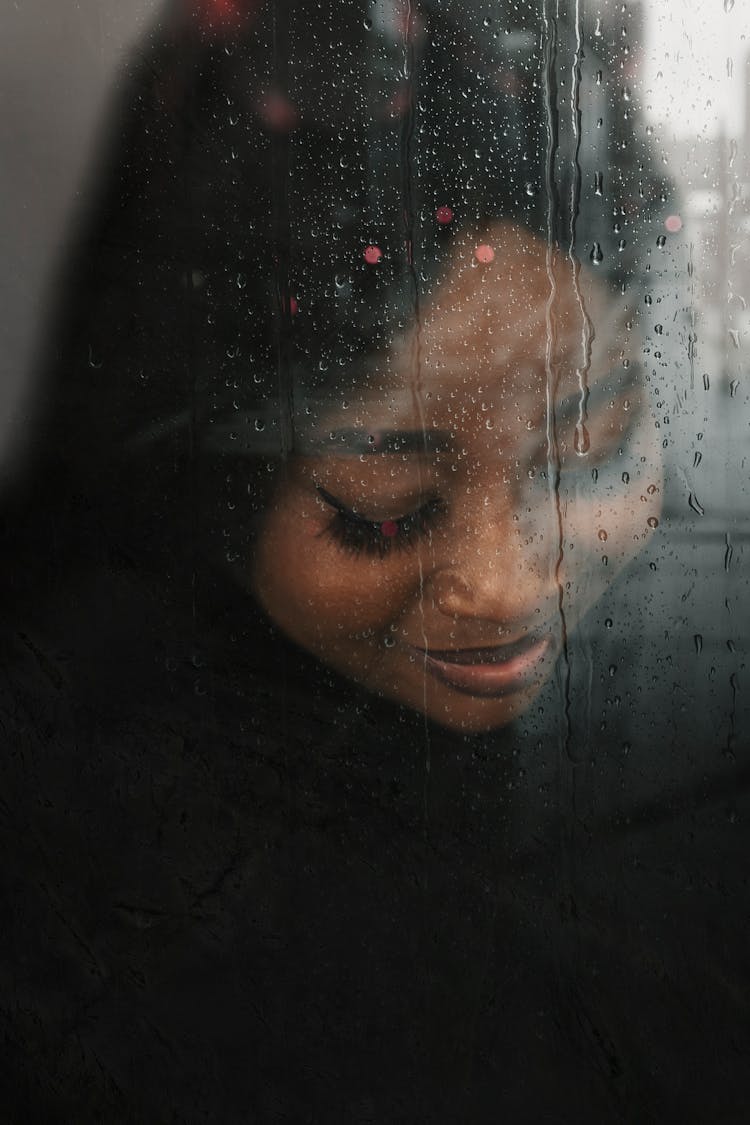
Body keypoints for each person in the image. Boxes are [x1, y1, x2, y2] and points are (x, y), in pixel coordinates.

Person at [1, 1, 749, 1121]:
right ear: (198, 485)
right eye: (381, 512)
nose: (504, 589)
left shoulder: (696, 736)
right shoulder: (72, 900)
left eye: (590, 462)